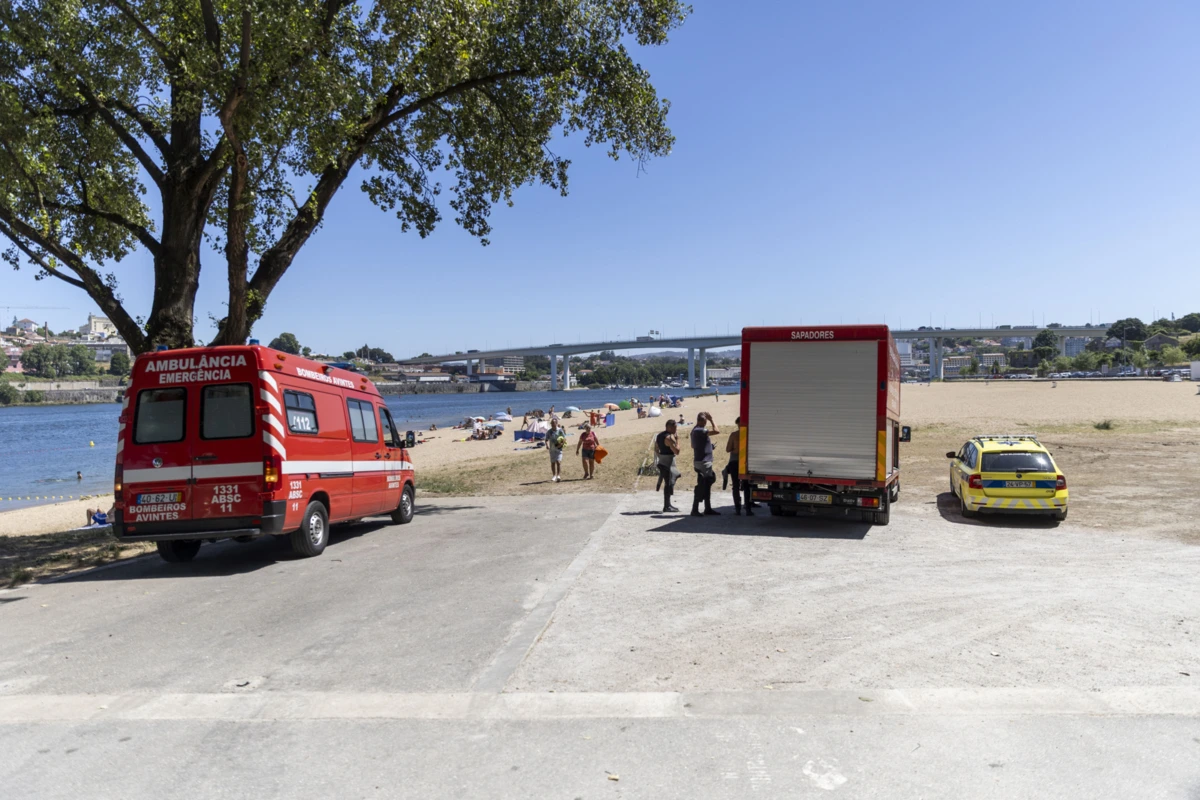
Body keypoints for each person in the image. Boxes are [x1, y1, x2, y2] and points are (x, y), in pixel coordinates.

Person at [690, 411, 720, 516]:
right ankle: (696, 509)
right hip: (704, 462)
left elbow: (694, 446)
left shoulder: (694, 430)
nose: (706, 423)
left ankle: (706, 508)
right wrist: (712, 419)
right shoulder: (700, 430)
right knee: (704, 485)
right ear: (700, 421)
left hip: (700, 460)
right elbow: (717, 431)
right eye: (705, 421)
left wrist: (709, 447)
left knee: (705, 484)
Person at [724, 417, 754, 515]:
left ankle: (737, 508)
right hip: (746, 462)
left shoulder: (734, 435)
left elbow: (728, 449)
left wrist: (735, 449)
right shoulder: (749, 435)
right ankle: (748, 509)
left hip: (734, 461)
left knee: (735, 485)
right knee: (746, 485)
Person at [655, 419, 681, 512]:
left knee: (669, 481)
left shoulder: (659, 435)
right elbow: (677, 451)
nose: (676, 430)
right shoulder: (669, 438)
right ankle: (667, 506)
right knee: (669, 483)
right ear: (669, 427)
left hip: (662, 461)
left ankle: (668, 504)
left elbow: (656, 448)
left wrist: (661, 457)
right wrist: (677, 440)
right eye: (674, 427)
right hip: (668, 463)